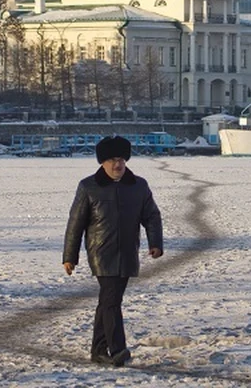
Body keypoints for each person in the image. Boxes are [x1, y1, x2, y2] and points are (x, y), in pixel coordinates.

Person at [63, 136, 163, 367]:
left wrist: (155, 243)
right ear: (102, 163)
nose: (117, 165)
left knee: (108, 301)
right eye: (111, 160)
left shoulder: (139, 186)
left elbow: (151, 216)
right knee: (111, 299)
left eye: (120, 159)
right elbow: (75, 223)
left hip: (128, 252)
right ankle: (117, 349)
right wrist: (70, 257)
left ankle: (98, 350)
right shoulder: (88, 186)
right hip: (101, 252)